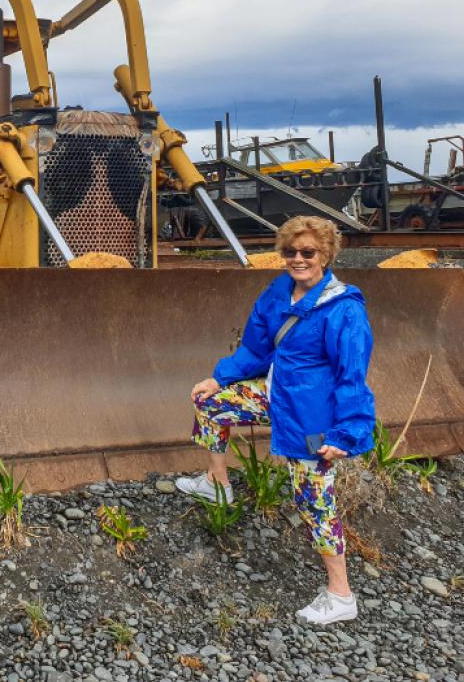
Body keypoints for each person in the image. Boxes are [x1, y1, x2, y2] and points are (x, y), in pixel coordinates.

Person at [176, 215, 376, 625]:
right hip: (275, 395)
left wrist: (347, 432)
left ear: (327, 255)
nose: (298, 260)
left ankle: (341, 594)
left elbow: (352, 376)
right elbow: (256, 347)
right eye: (290, 252)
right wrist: (220, 377)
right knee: (212, 405)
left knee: (314, 501)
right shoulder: (278, 291)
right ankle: (217, 484)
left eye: (308, 252)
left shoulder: (343, 310)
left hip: (312, 418)